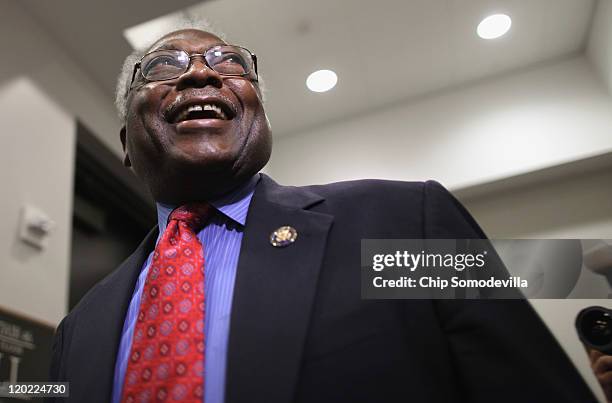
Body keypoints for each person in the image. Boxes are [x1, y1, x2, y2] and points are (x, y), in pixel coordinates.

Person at [49, 23, 598, 403]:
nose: (202, 74)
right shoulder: (80, 328)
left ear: (259, 115)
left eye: (230, 63)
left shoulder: (403, 221)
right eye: (165, 65)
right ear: (125, 142)